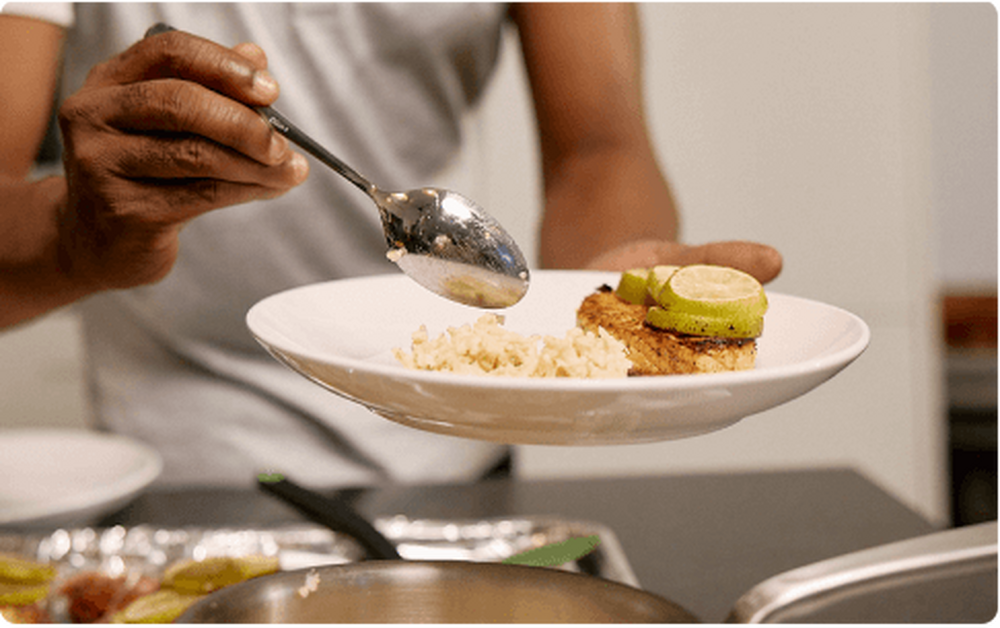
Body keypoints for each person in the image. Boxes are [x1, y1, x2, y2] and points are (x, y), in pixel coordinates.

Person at [0, 2, 781, 488]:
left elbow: (598, 147)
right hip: (180, 462)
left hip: (454, 440)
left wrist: (592, 302)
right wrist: (79, 237)